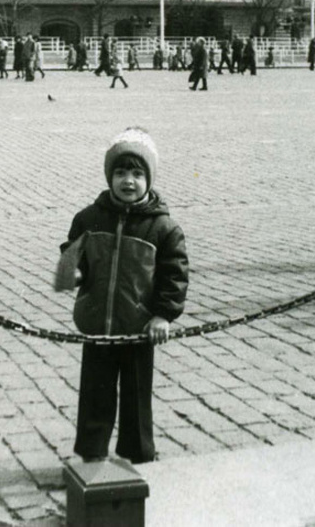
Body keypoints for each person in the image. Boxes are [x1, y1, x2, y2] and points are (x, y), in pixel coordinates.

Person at [58, 128, 189, 463]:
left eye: (136, 173)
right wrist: (74, 272)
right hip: (98, 325)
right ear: (109, 176)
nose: (128, 181)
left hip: (138, 326)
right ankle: (91, 451)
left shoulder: (164, 228)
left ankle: (139, 452)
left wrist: (162, 315)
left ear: (149, 178)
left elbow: (174, 276)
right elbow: (74, 256)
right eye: (120, 173)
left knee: (136, 394)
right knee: (95, 393)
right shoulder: (88, 218)